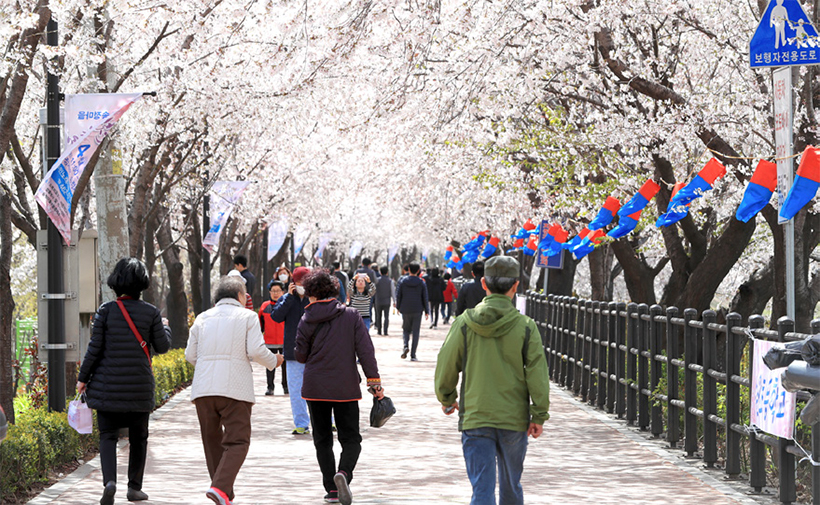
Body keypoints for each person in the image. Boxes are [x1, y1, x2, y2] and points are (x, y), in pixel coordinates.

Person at [434, 256, 550, 505]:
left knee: (482, 491)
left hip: (476, 415)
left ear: (484, 283)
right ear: (515, 285)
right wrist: (539, 414)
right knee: (511, 487)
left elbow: (446, 362)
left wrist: (447, 397)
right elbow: (537, 373)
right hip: (513, 418)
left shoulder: (464, 323)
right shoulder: (525, 326)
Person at [77, 258, 172, 505]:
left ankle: (110, 482)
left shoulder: (105, 311)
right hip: (139, 389)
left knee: (107, 435)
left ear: (116, 282)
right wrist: (165, 328)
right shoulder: (151, 312)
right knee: (139, 438)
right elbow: (162, 347)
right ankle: (134, 488)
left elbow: (94, 349)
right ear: (142, 284)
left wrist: (82, 379)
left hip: (107, 388)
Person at [186, 275, 284, 505]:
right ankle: (220, 488)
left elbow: (190, 355)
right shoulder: (247, 316)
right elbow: (256, 351)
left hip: (203, 389)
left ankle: (222, 493)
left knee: (211, 441)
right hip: (235, 389)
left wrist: (207, 367)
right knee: (238, 441)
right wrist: (274, 361)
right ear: (240, 295)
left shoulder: (202, 318)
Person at [294, 269, 384, 505]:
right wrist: (374, 382)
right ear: (334, 290)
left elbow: (300, 356)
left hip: (315, 388)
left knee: (322, 439)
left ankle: (331, 490)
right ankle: (343, 473)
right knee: (351, 438)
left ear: (311, 293)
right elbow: (365, 351)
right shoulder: (351, 315)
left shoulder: (306, 318)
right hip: (345, 387)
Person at [271, 266, 312, 434]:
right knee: (295, 390)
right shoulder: (287, 298)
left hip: (315, 351)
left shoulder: (315, 298)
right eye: (299, 282)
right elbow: (276, 316)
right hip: (293, 351)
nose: (302, 285)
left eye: (305, 282)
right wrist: (288, 296)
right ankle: (301, 423)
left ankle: (329, 421)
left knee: (322, 388)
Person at [395, 262, 429, 361]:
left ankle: (405, 345)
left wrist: (398, 307)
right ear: (418, 271)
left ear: (408, 269)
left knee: (406, 329)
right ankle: (413, 355)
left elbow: (398, 295)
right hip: (417, 309)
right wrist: (427, 310)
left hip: (405, 308)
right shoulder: (421, 282)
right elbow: (425, 297)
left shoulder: (403, 281)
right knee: (416, 331)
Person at [259, 280, 287, 395]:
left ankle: (286, 386)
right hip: (269, 341)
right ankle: (270, 387)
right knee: (270, 365)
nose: (275, 293)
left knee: (285, 366)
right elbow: (260, 324)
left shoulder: (286, 305)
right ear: (269, 292)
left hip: (284, 341)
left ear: (283, 292)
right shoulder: (264, 306)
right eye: (273, 291)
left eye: (278, 291)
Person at [374, 266, 394, 335]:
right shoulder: (390, 281)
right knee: (386, 317)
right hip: (387, 301)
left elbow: (373, 290)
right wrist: (394, 301)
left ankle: (379, 331)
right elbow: (392, 291)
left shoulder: (377, 281)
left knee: (378, 316)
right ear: (387, 272)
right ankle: (385, 331)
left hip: (378, 301)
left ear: (380, 272)